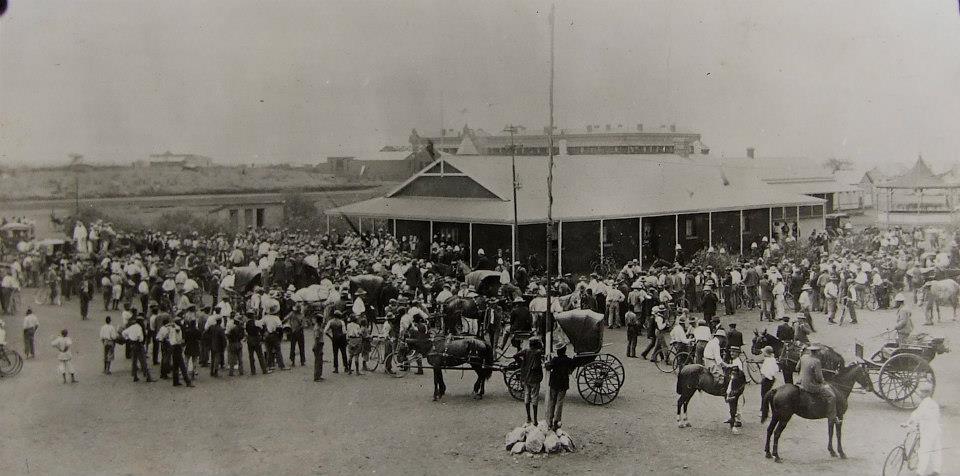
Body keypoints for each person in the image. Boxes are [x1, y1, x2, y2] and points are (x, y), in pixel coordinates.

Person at [903, 382, 942, 476]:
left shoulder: (924, 404)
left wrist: (908, 423)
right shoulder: (933, 403)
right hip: (936, 430)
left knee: (924, 451)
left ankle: (920, 473)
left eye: (921, 392)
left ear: (925, 393)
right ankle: (937, 470)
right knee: (936, 450)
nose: (919, 394)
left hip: (927, 431)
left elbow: (917, 415)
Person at [796, 344, 838, 424]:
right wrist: (824, 382)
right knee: (832, 396)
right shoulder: (817, 361)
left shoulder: (803, 357)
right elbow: (819, 378)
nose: (819, 353)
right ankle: (832, 417)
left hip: (800, 383)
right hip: (810, 386)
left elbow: (797, 368)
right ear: (816, 352)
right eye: (819, 351)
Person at [544, 343, 576, 431]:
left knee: (552, 402)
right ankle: (556, 421)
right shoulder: (568, 360)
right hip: (563, 384)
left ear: (557, 352)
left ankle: (549, 421)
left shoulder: (555, 360)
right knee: (560, 403)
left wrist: (547, 362)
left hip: (554, 383)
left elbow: (547, 367)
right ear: (565, 350)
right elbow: (573, 366)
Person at [513, 337, 544, 425]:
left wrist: (522, 364)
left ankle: (528, 417)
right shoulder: (538, 353)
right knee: (535, 397)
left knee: (527, 396)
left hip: (526, 377)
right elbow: (536, 366)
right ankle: (535, 420)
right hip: (535, 378)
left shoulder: (526, 351)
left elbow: (515, 356)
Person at [122, 316, 155, 383]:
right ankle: (148, 377)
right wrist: (140, 340)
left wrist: (128, 338)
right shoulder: (139, 328)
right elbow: (141, 338)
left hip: (132, 345)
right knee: (143, 361)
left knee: (134, 361)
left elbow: (124, 333)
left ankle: (135, 377)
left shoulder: (132, 327)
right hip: (138, 345)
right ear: (140, 322)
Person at [164, 317, 194, 387]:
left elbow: (165, 336)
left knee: (175, 365)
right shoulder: (177, 328)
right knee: (182, 365)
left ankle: (175, 381)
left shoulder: (170, 328)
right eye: (180, 321)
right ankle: (187, 381)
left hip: (172, 347)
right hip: (177, 347)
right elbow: (180, 339)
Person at [759, 346, 780, 420]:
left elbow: (764, 371)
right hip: (771, 379)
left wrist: (763, 377)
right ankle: (769, 411)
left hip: (767, 379)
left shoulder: (767, 361)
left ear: (766, 353)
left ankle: (764, 411)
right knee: (768, 395)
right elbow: (776, 369)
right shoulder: (773, 359)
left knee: (764, 395)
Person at [312, 315, 324, 382]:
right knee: (318, 361)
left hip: (320, 344)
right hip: (318, 344)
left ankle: (319, 375)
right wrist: (315, 346)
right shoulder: (317, 328)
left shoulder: (319, 326)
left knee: (320, 361)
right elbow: (317, 338)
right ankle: (316, 377)